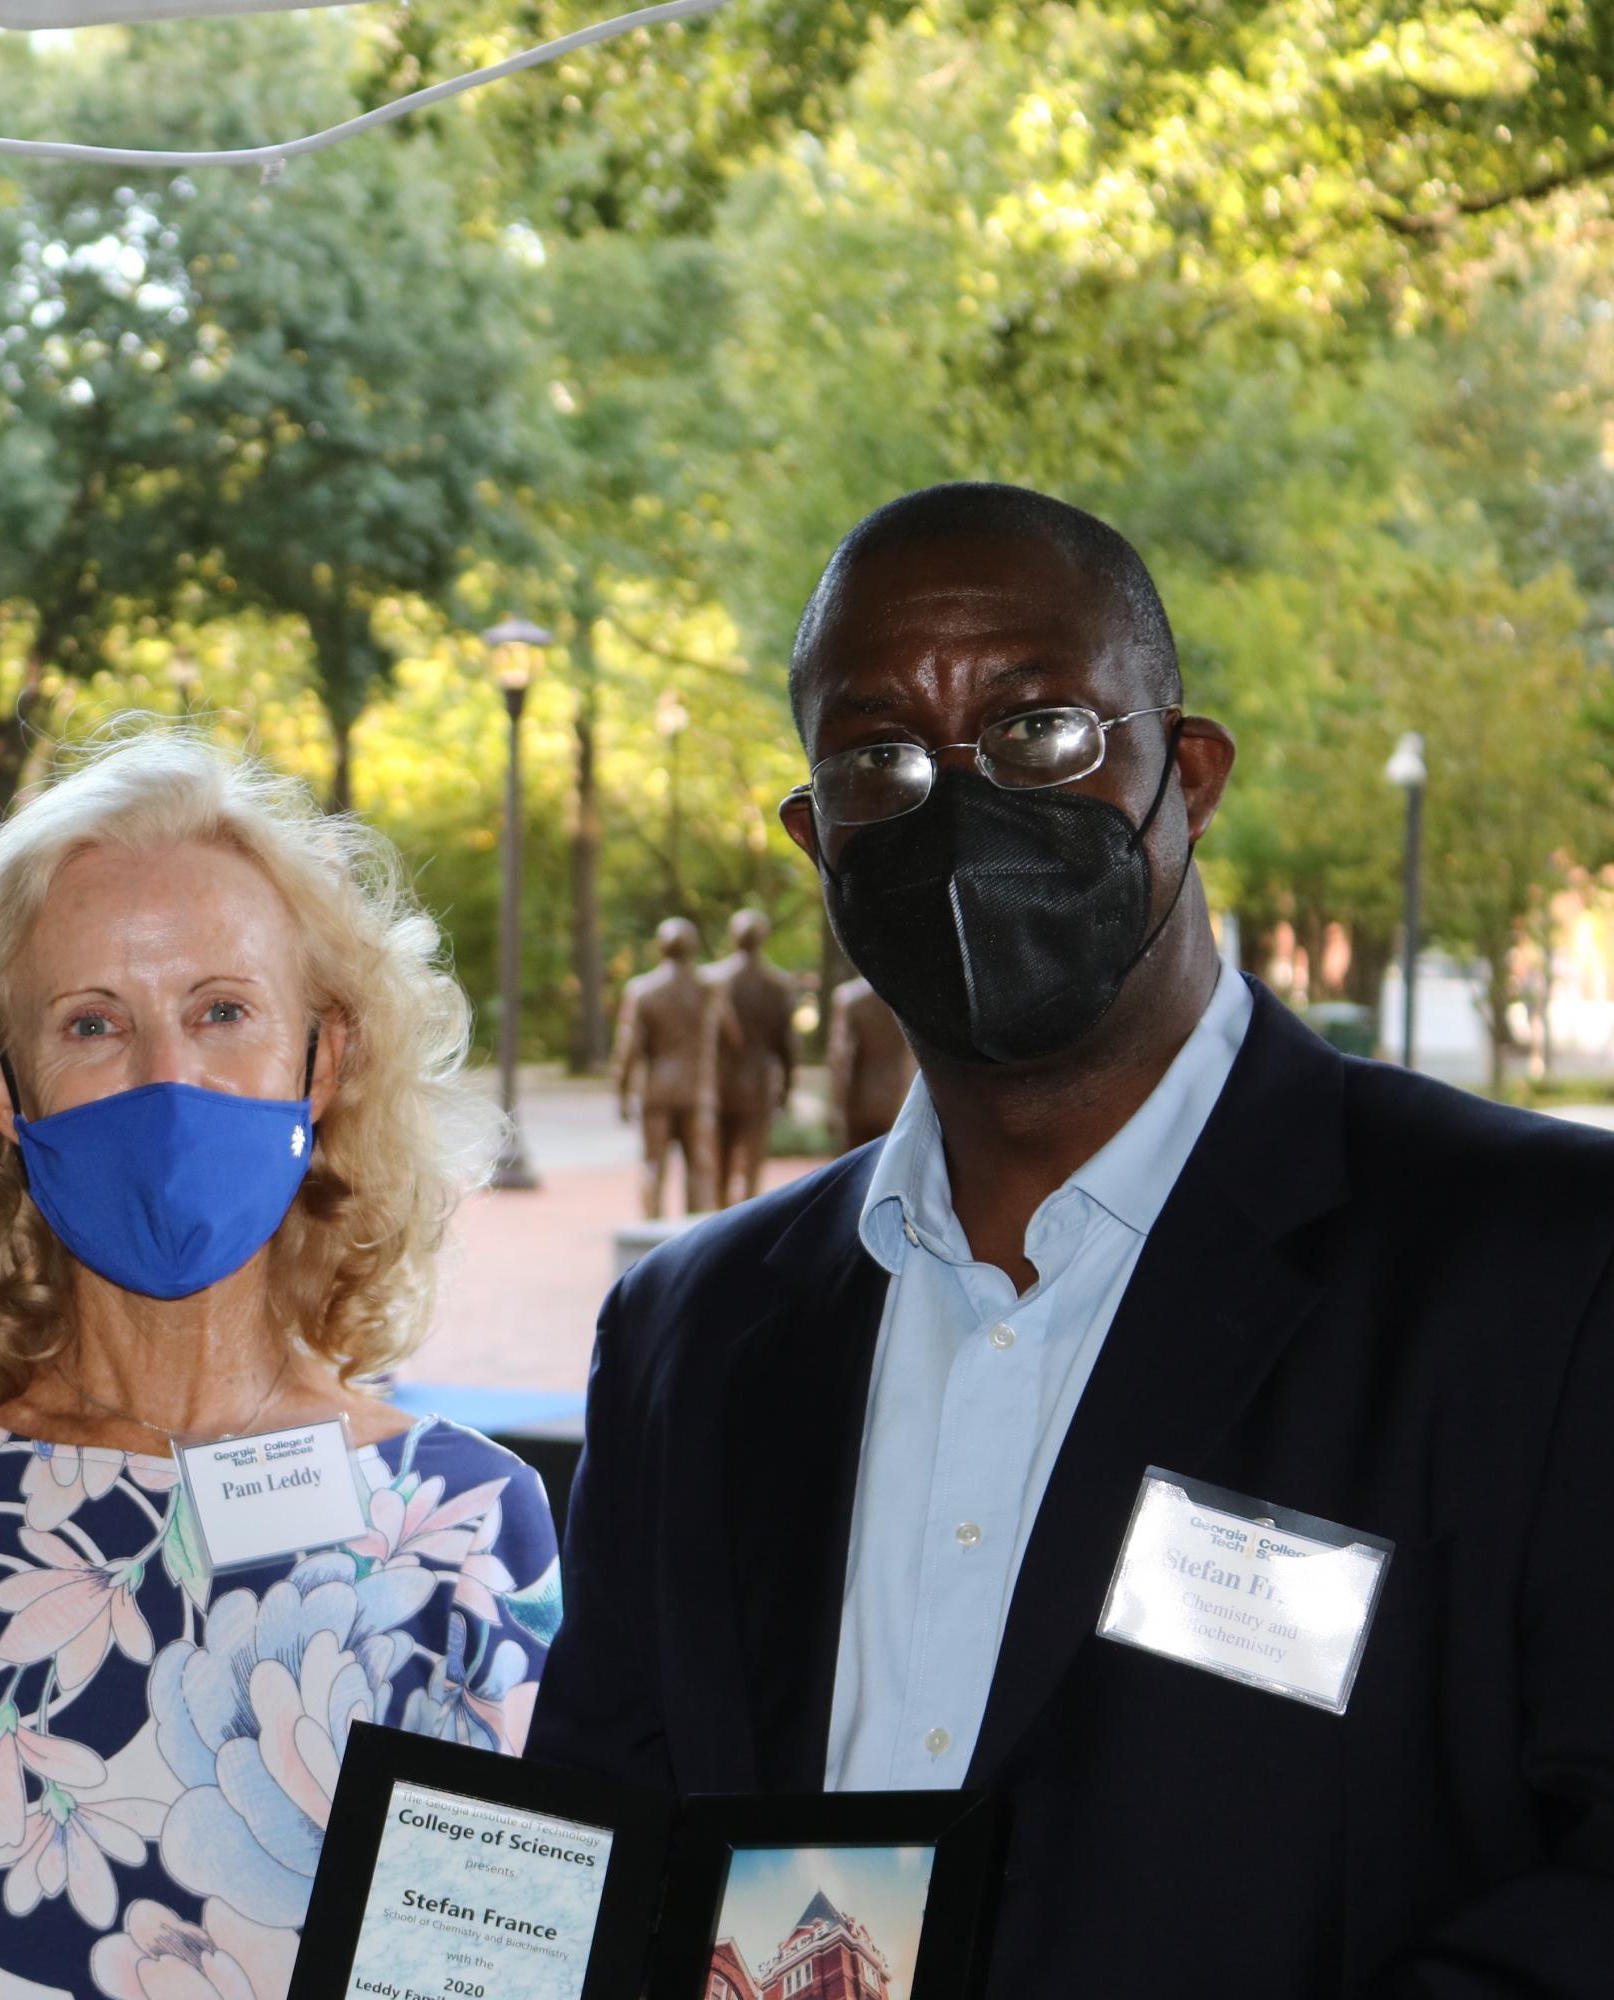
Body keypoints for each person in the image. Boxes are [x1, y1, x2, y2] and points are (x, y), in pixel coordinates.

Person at [532, 482, 1614, 1995]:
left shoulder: (1543, 1268)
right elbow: (606, 1856)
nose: (959, 803)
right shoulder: (690, 1334)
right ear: (812, 839)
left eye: (1041, 729)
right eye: (878, 755)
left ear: (1190, 772)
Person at [0, 736, 560, 2000]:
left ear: (329, 1053)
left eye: (223, 1010)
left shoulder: (466, 1527)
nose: (166, 1078)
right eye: (93, 1022)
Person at [611, 916, 713, 1218]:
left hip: (657, 1087)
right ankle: (696, 1235)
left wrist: (621, 1091)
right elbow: (729, 1037)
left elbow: (628, 1049)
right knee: (698, 1166)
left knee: (653, 1164)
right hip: (696, 1088)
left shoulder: (642, 990)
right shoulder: (709, 989)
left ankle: (651, 1232)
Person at [698, 909, 797, 1206]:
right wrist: (787, 1088)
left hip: (719, 1081)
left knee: (719, 1162)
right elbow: (787, 1046)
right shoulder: (779, 984)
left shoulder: (711, 980)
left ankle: (719, 1219)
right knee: (752, 1164)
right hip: (759, 1082)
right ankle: (747, 1222)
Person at [824, 973, 913, 1151]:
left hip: (859, 1101)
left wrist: (836, 1107)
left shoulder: (849, 999)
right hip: (898, 1098)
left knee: (856, 1170)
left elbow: (841, 1059)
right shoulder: (907, 999)